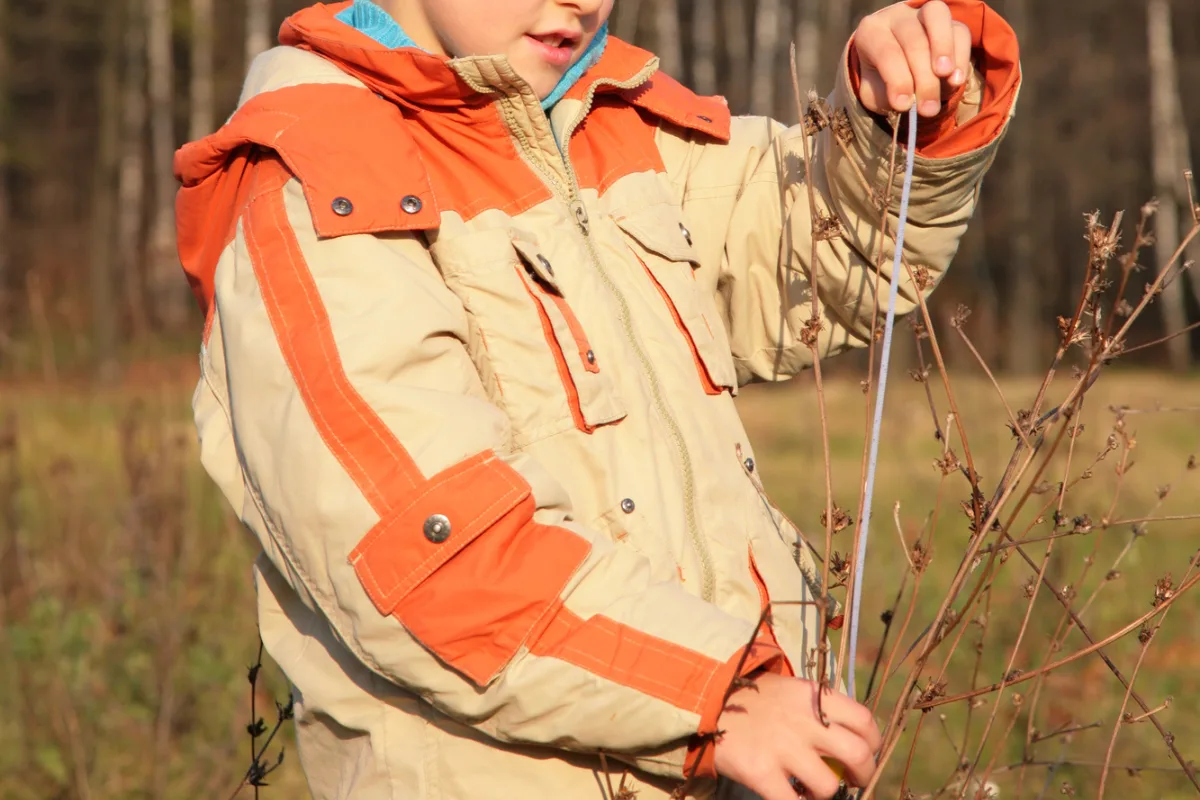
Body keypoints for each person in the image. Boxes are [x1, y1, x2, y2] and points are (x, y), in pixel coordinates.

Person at [173, 1, 1019, 798]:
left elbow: (820, 259)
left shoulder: (605, 116)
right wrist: (716, 698)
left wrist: (893, 109)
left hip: (739, 760)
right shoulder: (318, 174)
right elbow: (425, 555)